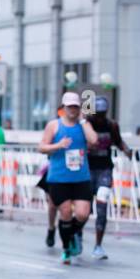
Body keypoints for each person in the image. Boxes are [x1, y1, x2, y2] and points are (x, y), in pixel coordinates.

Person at [39, 92, 99, 264]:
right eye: (69, 106)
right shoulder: (54, 125)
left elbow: (94, 140)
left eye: (75, 106)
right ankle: (66, 248)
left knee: (83, 214)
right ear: (63, 108)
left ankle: (72, 234)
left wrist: (83, 121)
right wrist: (58, 145)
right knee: (65, 212)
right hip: (59, 178)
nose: (72, 109)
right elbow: (41, 147)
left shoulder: (83, 125)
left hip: (81, 177)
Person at [85, 97, 130, 259]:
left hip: (104, 169)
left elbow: (118, 141)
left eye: (102, 114)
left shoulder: (111, 125)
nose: (100, 118)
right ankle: (76, 233)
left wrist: (127, 150)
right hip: (88, 170)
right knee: (85, 208)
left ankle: (98, 245)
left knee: (102, 206)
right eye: (98, 114)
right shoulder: (87, 125)